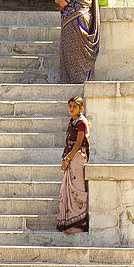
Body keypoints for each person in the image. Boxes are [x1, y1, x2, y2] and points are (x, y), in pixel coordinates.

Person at [54, 0, 100, 83]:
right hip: (86, 18)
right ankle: (85, 76)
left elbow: (64, 2)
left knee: (72, 49)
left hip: (75, 20)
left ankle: (73, 79)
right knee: (81, 51)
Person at [57, 95, 90, 234]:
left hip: (77, 158)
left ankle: (78, 224)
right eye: (70, 106)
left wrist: (68, 159)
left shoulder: (81, 122)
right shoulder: (72, 121)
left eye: (74, 106)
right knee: (69, 190)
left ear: (81, 109)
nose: (71, 109)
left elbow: (78, 142)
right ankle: (68, 222)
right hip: (71, 158)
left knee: (77, 190)